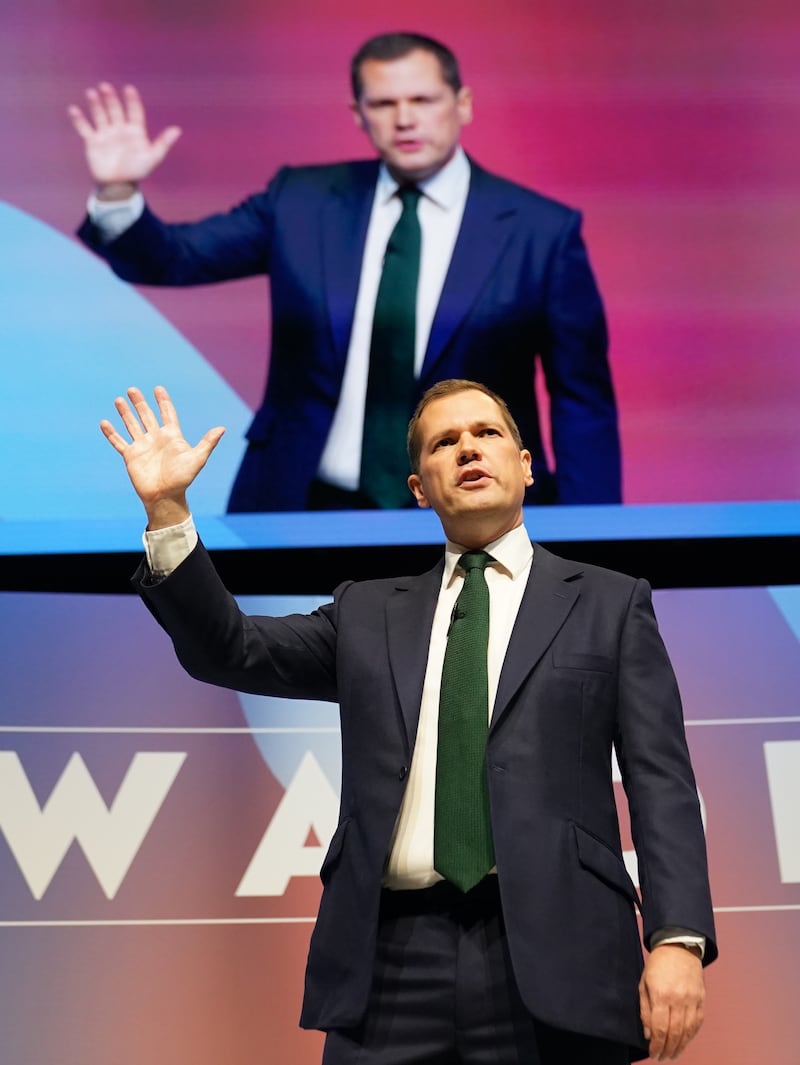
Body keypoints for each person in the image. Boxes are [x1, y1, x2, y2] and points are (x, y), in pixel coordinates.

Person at [100, 379, 715, 1064]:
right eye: (444, 443)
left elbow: (662, 784)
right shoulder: (368, 613)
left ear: (527, 462)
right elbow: (231, 648)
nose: (468, 450)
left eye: (486, 433)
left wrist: (677, 937)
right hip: (389, 967)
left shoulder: (610, 603)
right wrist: (168, 511)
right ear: (420, 487)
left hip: (557, 952)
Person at [74, 31, 621, 513]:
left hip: (471, 510)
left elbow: (581, 400)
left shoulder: (541, 230)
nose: (405, 118)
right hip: (300, 506)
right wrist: (119, 193)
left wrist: (594, 538)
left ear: (463, 103)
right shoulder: (301, 201)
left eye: (423, 99)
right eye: (383, 103)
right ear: (358, 114)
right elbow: (173, 257)